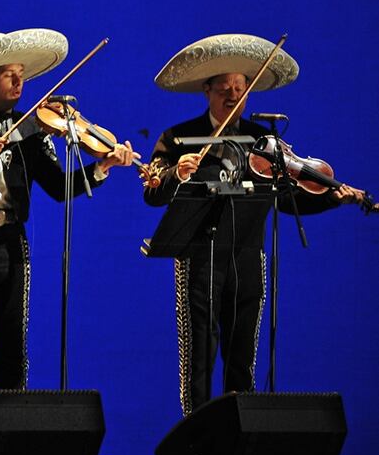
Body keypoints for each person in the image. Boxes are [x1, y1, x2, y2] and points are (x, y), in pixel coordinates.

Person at [143, 34, 366, 415]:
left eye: (240, 88)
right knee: (199, 351)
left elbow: (288, 198)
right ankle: (196, 431)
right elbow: (153, 192)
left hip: (247, 254)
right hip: (199, 256)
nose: (233, 96)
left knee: (242, 350)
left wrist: (331, 197)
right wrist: (176, 174)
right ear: (207, 91)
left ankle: (239, 431)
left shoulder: (263, 139)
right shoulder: (178, 138)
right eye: (224, 89)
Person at [0, 30, 136, 415]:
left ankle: (12, 424)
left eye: (21, 74)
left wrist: (102, 167)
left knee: (11, 339)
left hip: (10, 239)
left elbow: (59, 186)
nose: (19, 82)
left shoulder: (32, 128)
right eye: (9, 74)